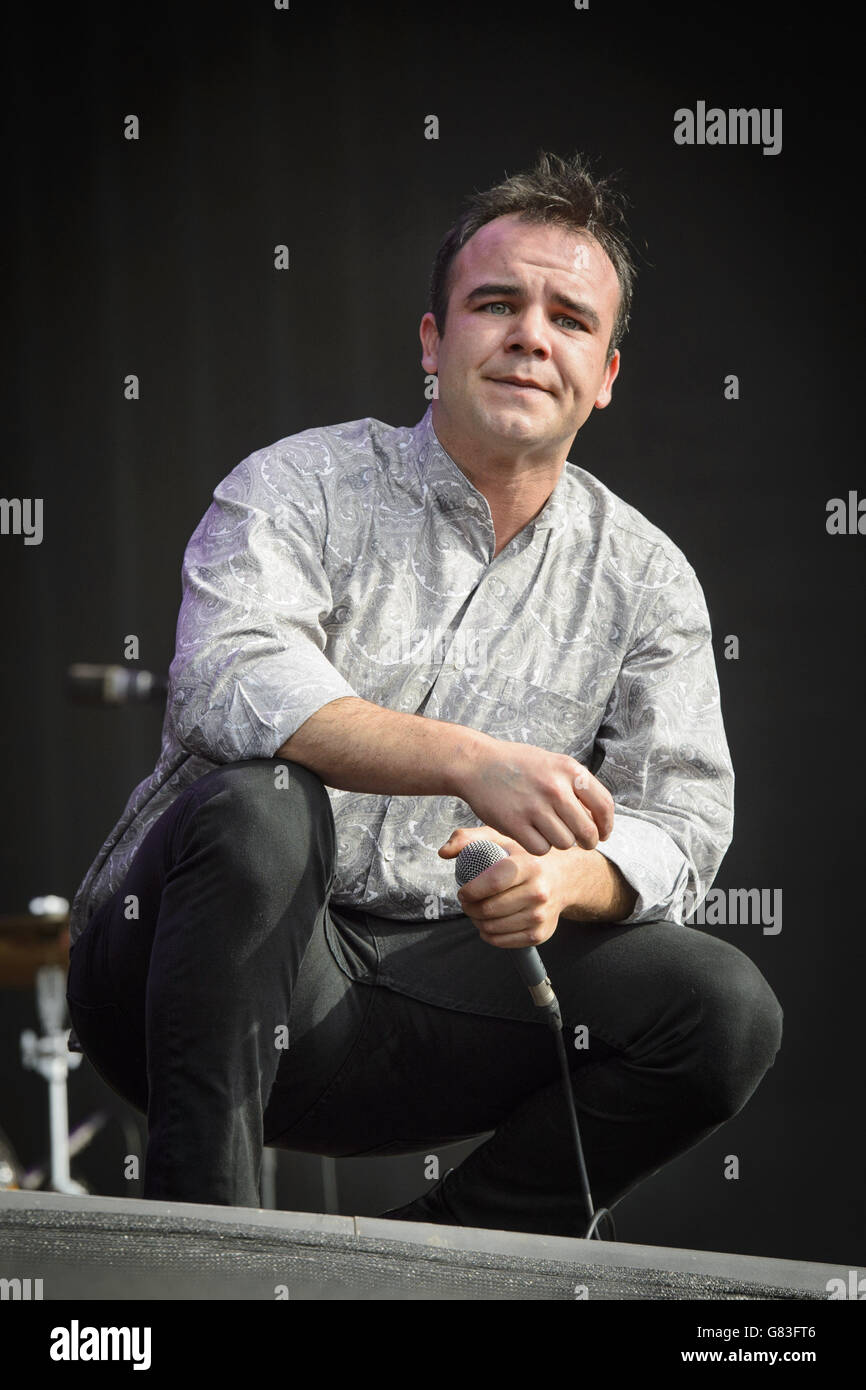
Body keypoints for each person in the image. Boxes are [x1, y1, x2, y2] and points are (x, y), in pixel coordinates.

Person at [65, 150, 782, 1237]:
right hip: (191, 980)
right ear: (432, 343)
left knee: (721, 1007)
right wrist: (464, 757)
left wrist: (570, 880)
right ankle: (203, 1258)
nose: (529, 334)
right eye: (494, 303)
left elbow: (682, 820)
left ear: (604, 375)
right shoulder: (299, 484)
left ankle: (440, 1260)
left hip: (439, 1003)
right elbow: (232, 682)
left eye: (568, 319)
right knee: (259, 804)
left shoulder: (646, 577)